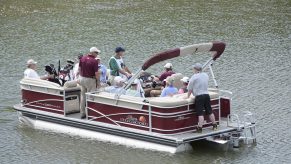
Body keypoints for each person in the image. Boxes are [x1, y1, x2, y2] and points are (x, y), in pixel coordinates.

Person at [186, 63, 217, 133]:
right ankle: (214, 125)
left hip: (199, 96)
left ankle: (200, 128)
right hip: (206, 95)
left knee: (200, 113)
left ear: (196, 69)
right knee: (209, 111)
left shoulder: (194, 77)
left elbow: (190, 89)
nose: (193, 70)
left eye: (193, 69)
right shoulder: (206, 75)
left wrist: (187, 97)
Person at [78, 47, 100, 119]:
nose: (97, 54)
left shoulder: (82, 58)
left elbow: (79, 69)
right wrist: (98, 82)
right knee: (91, 96)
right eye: (96, 53)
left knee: (83, 96)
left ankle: (82, 113)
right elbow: (96, 73)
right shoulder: (94, 61)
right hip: (90, 80)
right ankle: (90, 114)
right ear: (92, 52)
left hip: (81, 78)